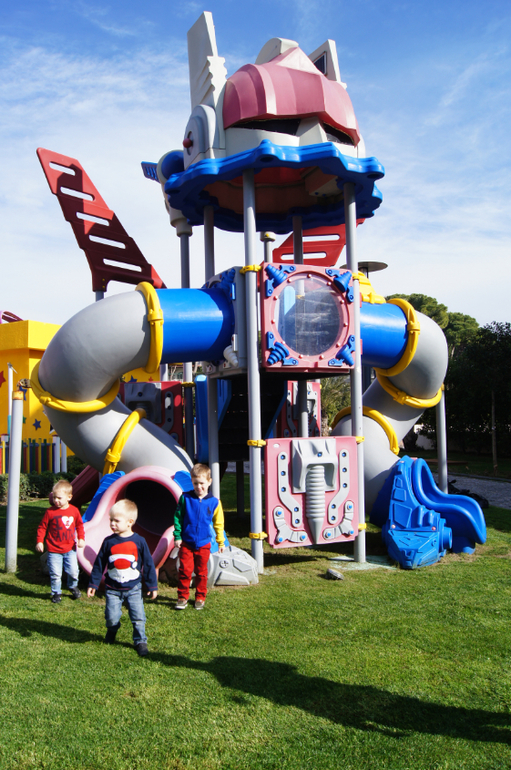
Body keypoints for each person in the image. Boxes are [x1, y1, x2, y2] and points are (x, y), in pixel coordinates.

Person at [87, 499, 158, 657]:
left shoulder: (139, 541)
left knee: (138, 617)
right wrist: (93, 583)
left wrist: (152, 585)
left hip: (134, 588)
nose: (112, 524)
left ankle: (140, 641)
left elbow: (148, 564)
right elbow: (99, 563)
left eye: (116, 521)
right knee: (111, 617)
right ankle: (112, 630)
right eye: (111, 520)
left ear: (130, 522)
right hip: (112, 588)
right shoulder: (108, 542)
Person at [174, 463, 225, 611]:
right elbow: (178, 517)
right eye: (195, 483)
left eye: (202, 483)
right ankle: (182, 597)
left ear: (209, 482)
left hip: (203, 543)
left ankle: (200, 597)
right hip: (186, 542)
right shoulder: (185, 498)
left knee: (202, 572)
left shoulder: (215, 502)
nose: (199, 487)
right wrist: (177, 536)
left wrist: (220, 542)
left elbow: (219, 524)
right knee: (185, 570)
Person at [36, 479, 85, 603]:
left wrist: (81, 538)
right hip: (54, 550)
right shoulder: (50, 512)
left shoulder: (74, 511)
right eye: (54, 497)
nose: (56, 500)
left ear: (69, 497)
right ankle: (56, 592)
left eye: (59, 498)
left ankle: (73, 586)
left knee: (73, 571)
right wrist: (40, 541)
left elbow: (80, 525)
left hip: (70, 549)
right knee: (56, 573)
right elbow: (42, 527)